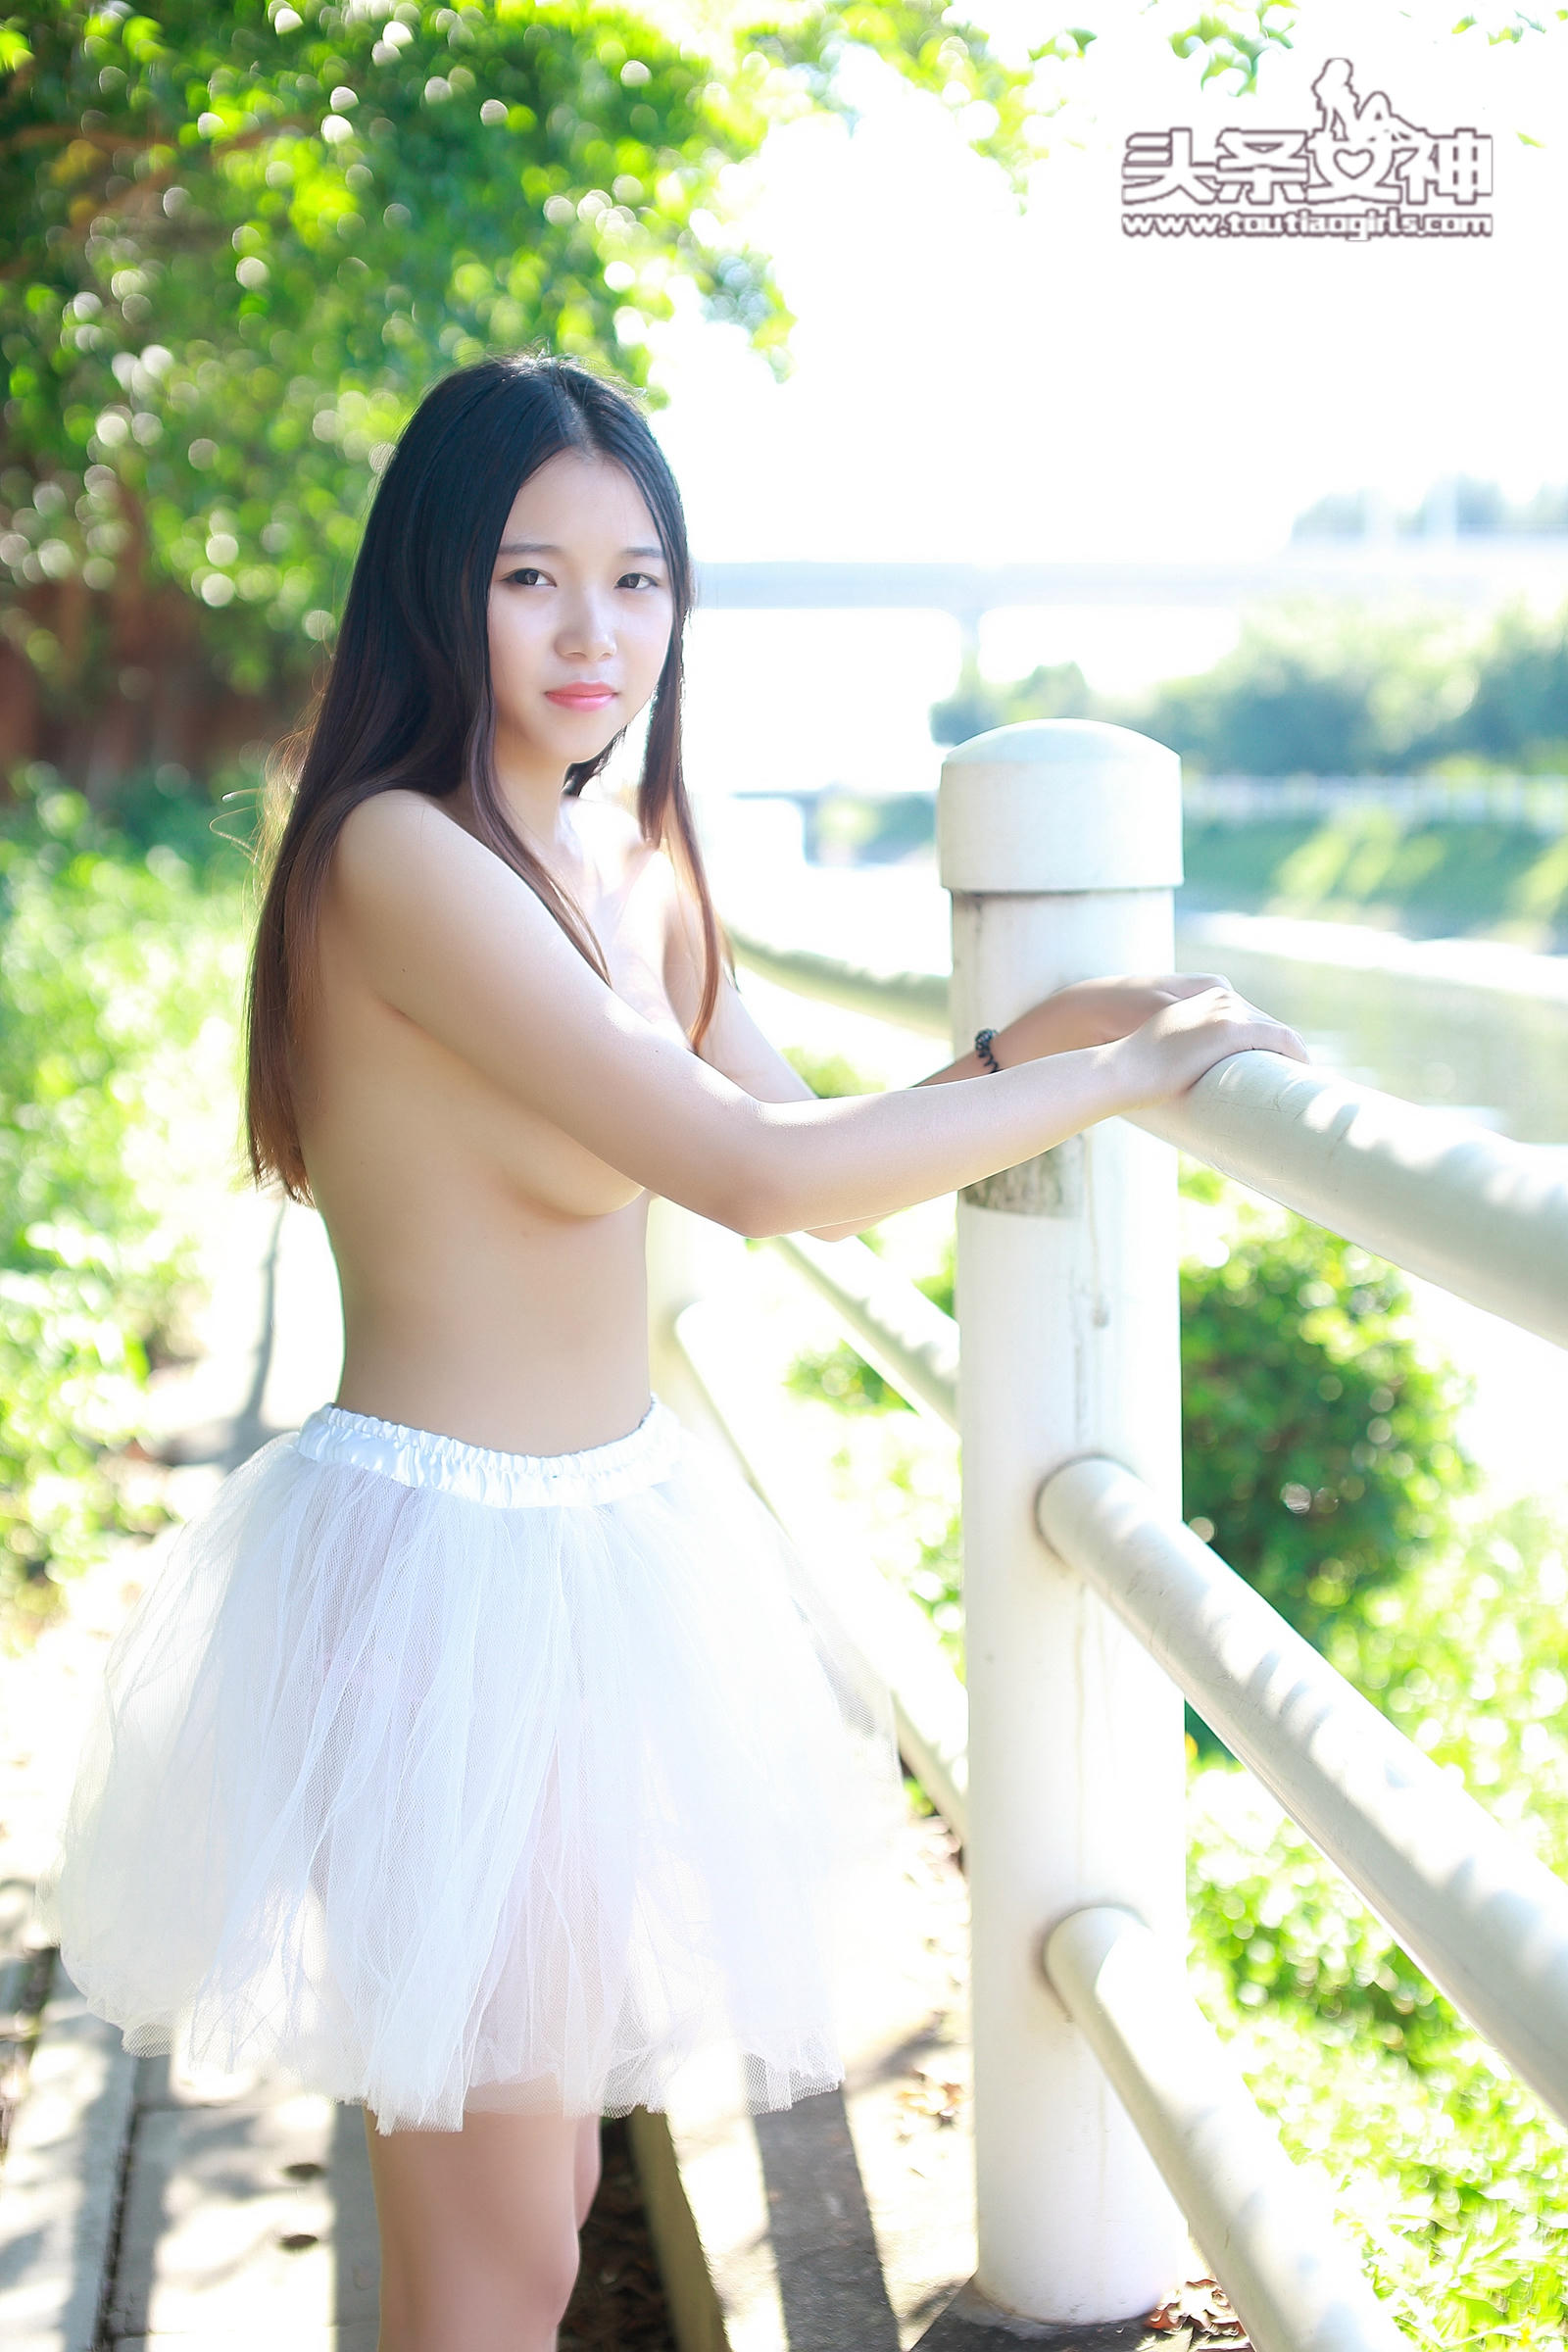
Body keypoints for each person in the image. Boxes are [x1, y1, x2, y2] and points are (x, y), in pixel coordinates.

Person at [41, 350, 1308, 2352]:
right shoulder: (395, 856)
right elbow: (753, 1182)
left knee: (537, 2206)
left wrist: (1033, 1047)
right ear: (433, 590)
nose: (594, 632)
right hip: (439, 1584)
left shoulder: (623, 866)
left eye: (636, 581)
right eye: (530, 577)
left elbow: (807, 1136)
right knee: (493, 2255)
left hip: (598, 1551)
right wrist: (1124, 1077)